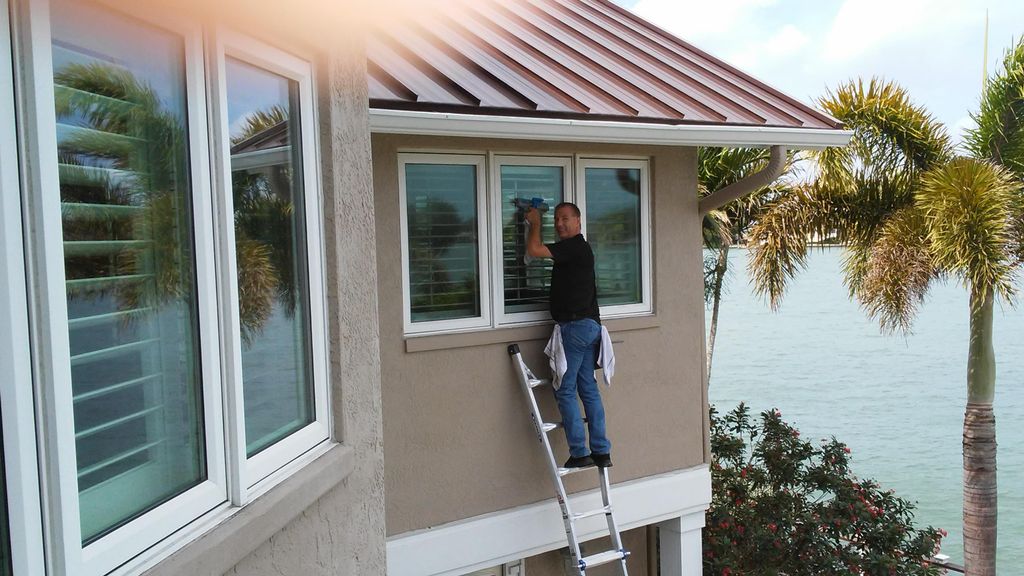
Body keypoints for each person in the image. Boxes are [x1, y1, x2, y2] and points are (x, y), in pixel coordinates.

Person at [525, 202, 611, 469]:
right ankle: (601, 451)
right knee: (588, 389)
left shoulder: (574, 246)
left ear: (578, 222)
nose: (560, 224)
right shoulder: (578, 249)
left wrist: (535, 223)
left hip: (575, 328)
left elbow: (534, 250)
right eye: (557, 219)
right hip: (589, 327)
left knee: (564, 389)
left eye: (565, 219)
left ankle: (579, 453)